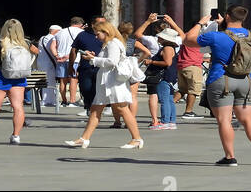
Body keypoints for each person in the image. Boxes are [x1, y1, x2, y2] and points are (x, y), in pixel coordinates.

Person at [187, 6, 251, 166]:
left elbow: (188, 40)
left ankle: (230, 157)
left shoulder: (215, 36)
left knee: (224, 120)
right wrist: (225, 24)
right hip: (244, 80)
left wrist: (200, 23)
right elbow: (235, 35)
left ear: (227, 16)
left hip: (221, 79)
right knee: (248, 120)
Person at [65, 21, 143, 149]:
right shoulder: (108, 43)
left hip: (113, 82)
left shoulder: (113, 43)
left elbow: (112, 62)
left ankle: (137, 138)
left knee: (122, 109)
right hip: (107, 82)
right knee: (95, 110)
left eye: (97, 34)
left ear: (106, 32)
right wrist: (93, 57)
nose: (96, 37)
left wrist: (93, 59)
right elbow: (106, 60)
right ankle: (84, 138)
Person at [164, 12, 203, 118]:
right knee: (193, 90)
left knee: (182, 90)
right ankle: (188, 111)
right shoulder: (198, 38)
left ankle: (167, 107)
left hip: (182, 65)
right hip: (193, 66)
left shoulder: (187, 36)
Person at [68, 20, 101, 116]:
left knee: (97, 89)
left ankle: (96, 109)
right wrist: (71, 66)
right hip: (85, 67)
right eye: (99, 23)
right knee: (85, 88)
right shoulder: (82, 35)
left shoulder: (106, 35)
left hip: (101, 67)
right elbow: (74, 50)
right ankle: (88, 106)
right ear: (92, 24)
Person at [149, 28, 181, 129]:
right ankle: (171, 121)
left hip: (164, 76)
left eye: (160, 37)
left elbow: (167, 63)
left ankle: (165, 121)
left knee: (164, 99)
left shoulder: (166, 48)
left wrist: (151, 62)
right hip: (171, 75)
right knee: (169, 98)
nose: (158, 38)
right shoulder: (171, 48)